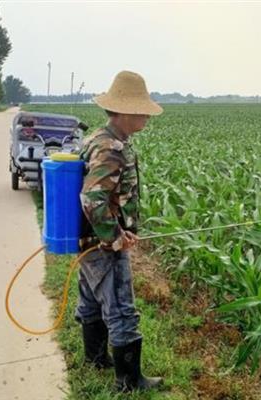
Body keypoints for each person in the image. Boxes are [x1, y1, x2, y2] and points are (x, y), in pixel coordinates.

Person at [75, 70, 164, 392]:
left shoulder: (98, 138)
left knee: (91, 300)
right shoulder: (111, 148)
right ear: (126, 111)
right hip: (101, 244)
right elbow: (93, 196)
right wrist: (113, 238)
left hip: (86, 240)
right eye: (142, 109)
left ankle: (96, 359)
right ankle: (130, 382)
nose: (147, 116)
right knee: (122, 309)